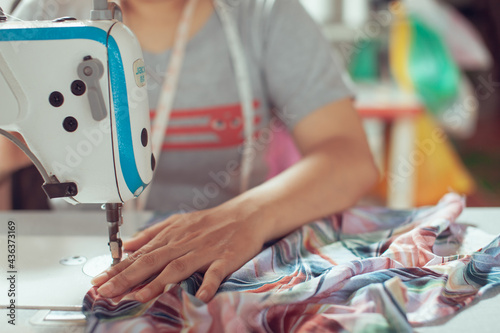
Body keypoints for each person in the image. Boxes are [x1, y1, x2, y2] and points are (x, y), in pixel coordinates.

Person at [6, 0, 378, 303]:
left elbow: (349, 158)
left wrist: (247, 215)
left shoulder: (265, 14)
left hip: (225, 260)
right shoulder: (44, 14)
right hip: (69, 247)